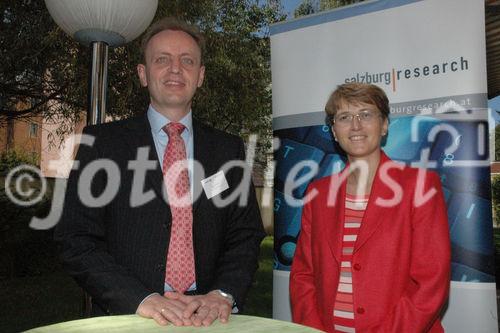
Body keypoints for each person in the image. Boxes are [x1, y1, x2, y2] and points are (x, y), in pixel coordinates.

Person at [54, 17, 265, 327]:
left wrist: (222, 293)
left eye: (187, 60)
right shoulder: (102, 144)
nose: (175, 68)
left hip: (207, 318)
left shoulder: (227, 150)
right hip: (128, 316)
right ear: (143, 73)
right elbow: (76, 238)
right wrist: (139, 299)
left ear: (201, 75)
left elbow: (244, 235)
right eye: (162, 59)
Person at [289, 83, 450, 332]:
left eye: (366, 114)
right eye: (344, 117)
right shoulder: (318, 194)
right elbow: (303, 276)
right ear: (333, 131)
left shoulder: (420, 186)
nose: (356, 125)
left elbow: (430, 282)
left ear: (384, 124)